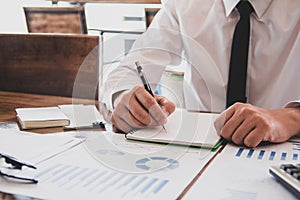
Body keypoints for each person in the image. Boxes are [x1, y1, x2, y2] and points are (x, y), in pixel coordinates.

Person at [99, 0, 300, 148]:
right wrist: (124, 98)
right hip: (198, 151)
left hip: (281, 150)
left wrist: (290, 118)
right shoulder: (185, 4)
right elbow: (131, 67)